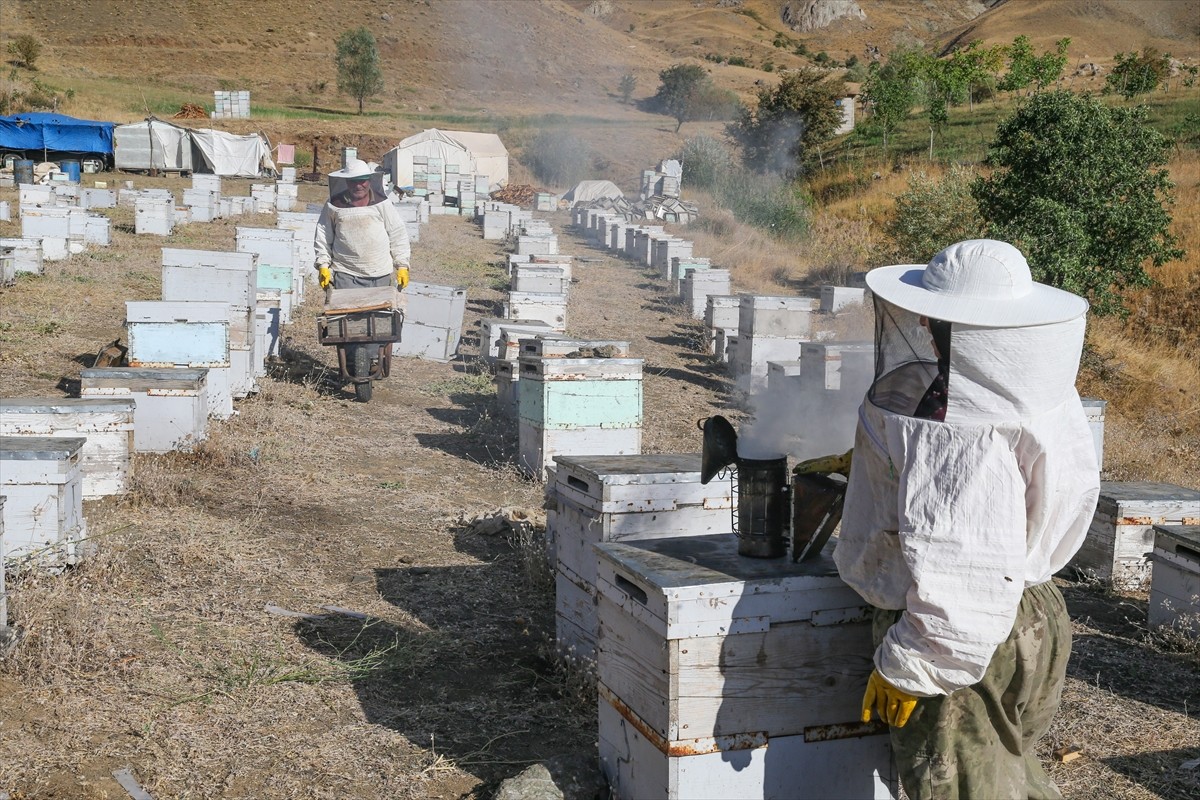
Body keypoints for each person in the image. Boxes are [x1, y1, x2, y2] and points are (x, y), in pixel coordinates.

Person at [801, 239, 1100, 799]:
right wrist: (881, 466)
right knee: (1008, 775)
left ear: (935, 320)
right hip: (1032, 613)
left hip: (965, 637)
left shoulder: (959, 434)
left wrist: (914, 661)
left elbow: (964, 561)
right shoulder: (1031, 393)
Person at [313, 158, 410, 292]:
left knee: (379, 312)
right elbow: (323, 235)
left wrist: (402, 265)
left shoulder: (382, 204)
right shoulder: (334, 205)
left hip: (379, 273)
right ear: (346, 181)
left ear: (369, 180)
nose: (359, 185)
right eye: (353, 181)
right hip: (346, 274)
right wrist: (323, 264)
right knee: (348, 312)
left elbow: (397, 233)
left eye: (362, 180)